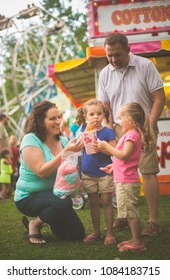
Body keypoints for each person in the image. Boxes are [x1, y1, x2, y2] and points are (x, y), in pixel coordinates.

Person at [98, 33, 166, 236]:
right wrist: (110, 131)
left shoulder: (146, 65)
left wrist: (149, 127)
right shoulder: (104, 73)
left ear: (128, 50)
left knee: (148, 171)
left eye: (117, 55)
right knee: (120, 175)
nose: (113, 60)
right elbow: (105, 107)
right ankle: (123, 216)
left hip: (143, 126)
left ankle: (153, 221)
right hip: (118, 127)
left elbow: (159, 98)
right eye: (109, 55)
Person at [14, 100, 85, 244]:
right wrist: (65, 153)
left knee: (76, 234)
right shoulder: (30, 140)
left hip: (56, 195)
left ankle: (49, 217)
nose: (58, 121)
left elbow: (69, 168)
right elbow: (42, 172)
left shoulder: (64, 141)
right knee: (64, 203)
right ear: (40, 121)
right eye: (53, 118)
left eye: (59, 117)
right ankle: (34, 224)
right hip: (29, 197)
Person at [97, 102, 152, 252]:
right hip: (123, 179)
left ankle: (138, 242)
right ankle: (134, 238)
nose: (119, 122)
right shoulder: (128, 135)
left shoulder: (131, 136)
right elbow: (124, 159)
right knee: (128, 211)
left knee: (131, 212)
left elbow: (125, 155)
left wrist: (107, 147)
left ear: (130, 119)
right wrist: (114, 166)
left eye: (121, 118)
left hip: (127, 181)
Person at [76, 99, 117, 245]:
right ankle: (96, 231)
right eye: (91, 114)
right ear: (85, 116)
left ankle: (110, 233)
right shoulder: (83, 130)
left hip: (104, 172)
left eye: (99, 114)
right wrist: (87, 131)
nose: (95, 117)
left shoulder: (108, 132)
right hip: (88, 172)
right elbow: (79, 145)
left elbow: (115, 152)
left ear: (104, 115)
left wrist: (102, 148)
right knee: (93, 203)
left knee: (106, 201)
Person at [0, 112, 10, 198]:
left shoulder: (2, 127)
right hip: (0, 157)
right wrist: (3, 154)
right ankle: (0, 193)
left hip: (3, 156)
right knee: (0, 175)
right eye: (6, 118)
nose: (8, 119)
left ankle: (4, 193)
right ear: (3, 118)